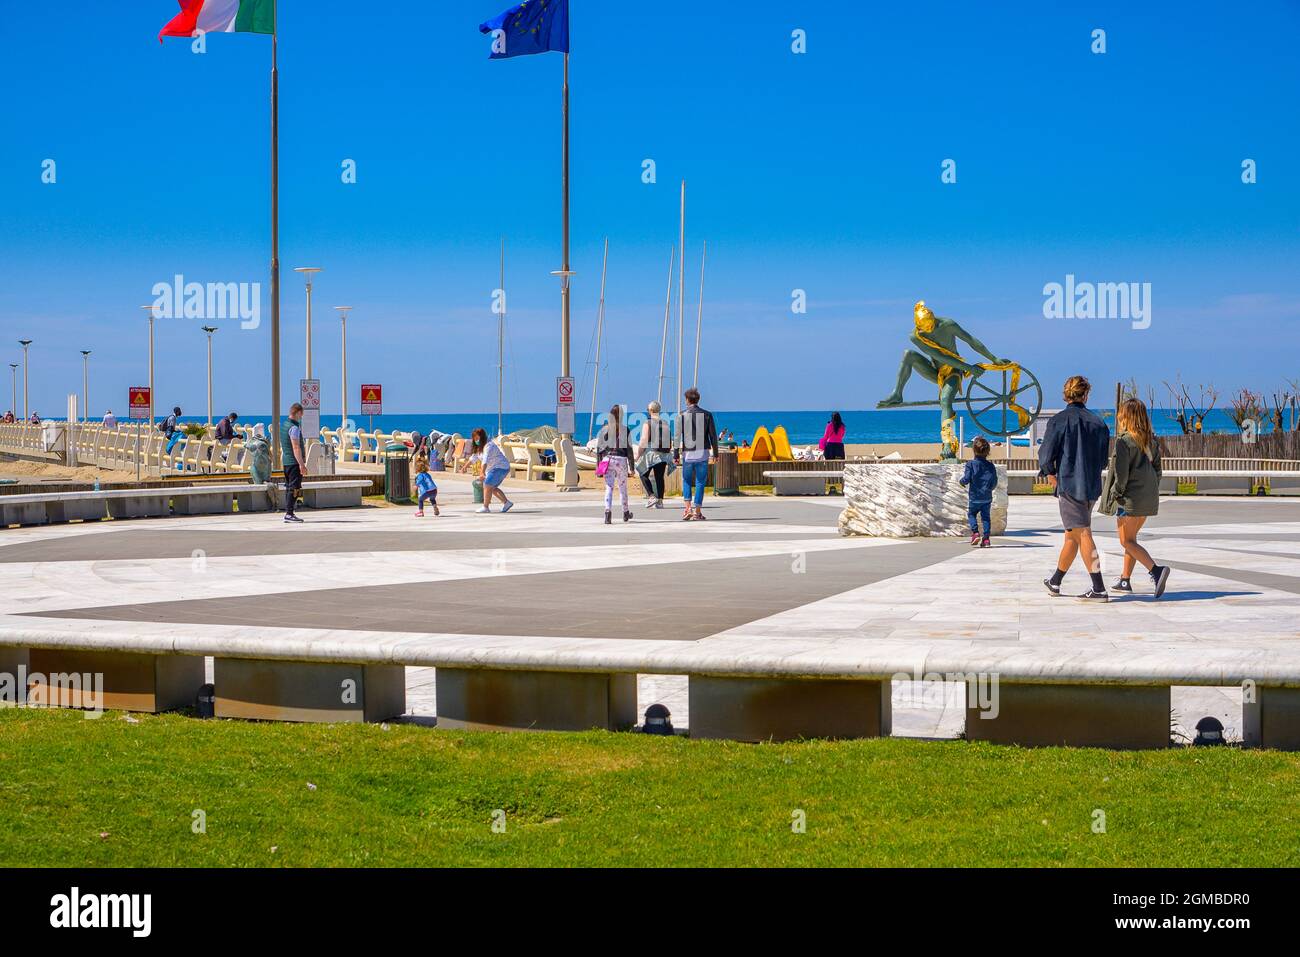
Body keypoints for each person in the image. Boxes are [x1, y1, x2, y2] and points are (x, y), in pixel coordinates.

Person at [1039, 375, 1111, 601]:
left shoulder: (1059, 421)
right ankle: (1056, 581)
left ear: (1066, 394)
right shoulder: (1099, 423)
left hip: (1069, 485)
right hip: (1091, 485)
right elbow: (1103, 460)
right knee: (1072, 535)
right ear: (1086, 394)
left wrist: (1050, 473)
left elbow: (1046, 453)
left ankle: (1098, 588)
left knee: (1083, 533)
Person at [1103, 398, 1170, 598]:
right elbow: (1158, 471)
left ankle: (1156, 571)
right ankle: (1125, 579)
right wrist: (1149, 488)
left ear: (1127, 417)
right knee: (1131, 540)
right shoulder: (1152, 441)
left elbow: (1121, 475)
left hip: (1129, 499)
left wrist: (1115, 494)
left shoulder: (1124, 442)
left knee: (1126, 541)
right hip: (1147, 498)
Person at [677, 387, 718, 521]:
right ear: (698, 399)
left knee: (687, 480)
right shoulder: (707, 414)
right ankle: (697, 512)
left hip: (688, 452)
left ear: (687, 400)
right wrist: (716, 453)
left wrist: (675, 455)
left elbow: (677, 437)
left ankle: (687, 509)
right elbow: (713, 436)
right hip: (702, 452)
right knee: (700, 481)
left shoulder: (681, 415)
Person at [634, 400, 674, 509]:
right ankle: (660, 501)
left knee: (642, 473)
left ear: (651, 410)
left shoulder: (648, 422)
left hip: (651, 454)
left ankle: (651, 496)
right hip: (664, 454)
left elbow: (644, 439)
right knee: (659, 477)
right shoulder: (665, 423)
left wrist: (638, 454)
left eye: (647, 409)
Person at [597, 404, 633, 524]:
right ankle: (625, 512)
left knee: (609, 487)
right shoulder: (625, 429)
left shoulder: (604, 430)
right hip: (621, 460)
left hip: (607, 460)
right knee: (622, 488)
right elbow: (629, 450)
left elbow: (599, 449)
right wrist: (632, 467)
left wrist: (599, 467)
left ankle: (607, 513)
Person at [959, 436, 997, 547]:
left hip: (974, 496)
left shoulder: (970, 464)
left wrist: (961, 482)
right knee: (986, 517)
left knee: (971, 514)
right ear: (987, 452)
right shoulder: (990, 466)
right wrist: (989, 489)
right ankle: (986, 539)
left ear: (974, 450)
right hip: (987, 497)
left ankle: (975, 533)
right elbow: (994, 481)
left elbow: (966, 478)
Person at [469, 427, 513, 514]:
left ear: (482, 437)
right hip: (493, 469)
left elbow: (485, 461)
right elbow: (474, 457)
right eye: (475, 438)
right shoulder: (479, 447)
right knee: (491, 488)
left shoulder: (488, 446)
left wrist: (482, 473)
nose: (476, 440)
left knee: (487, 484)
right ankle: (507, 503)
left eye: (477, 438)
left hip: (500, 467)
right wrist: (464, 467)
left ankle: (486, 507)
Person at [279, 403, 307, 523]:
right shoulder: (294, 428)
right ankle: (289, 513)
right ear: (298, 413)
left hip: (286, 462)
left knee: (289, 487)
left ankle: (288, 512)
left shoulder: (284, 425)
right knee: (295, 488)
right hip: (294, 462)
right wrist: (301, 464)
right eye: (301, 414)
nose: (302, 416)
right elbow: (296, 447)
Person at [413, 453, 439, 517]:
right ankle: (435, 507)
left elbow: (420, 480)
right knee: (432, 499)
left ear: (417, 468)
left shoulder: (420, 475)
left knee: (420, 500)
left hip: (427, 491)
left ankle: (420, 512)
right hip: (434, 490)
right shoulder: (427, 474)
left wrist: (416, 485)